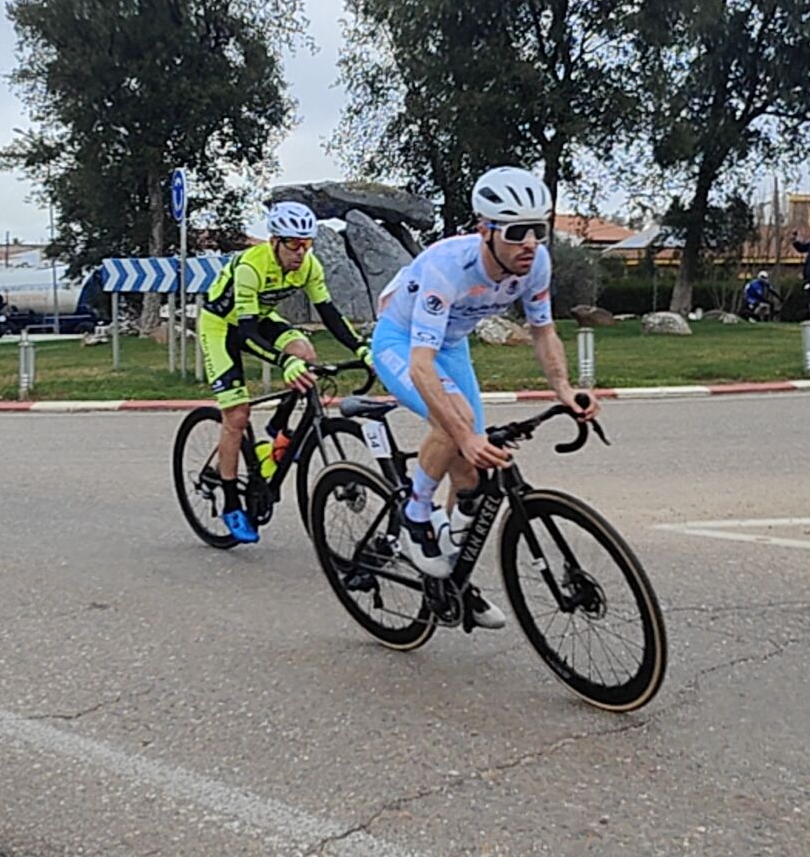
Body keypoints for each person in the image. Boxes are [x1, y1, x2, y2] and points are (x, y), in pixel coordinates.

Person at [369, 166, 596, 630]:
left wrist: (565, 390)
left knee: (472, 475)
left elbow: (543, 331)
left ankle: (452, 581)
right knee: (458, 425)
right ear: (485, 231)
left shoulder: (536, 264)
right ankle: (415, 518)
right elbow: (420, 366)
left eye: (538, 229)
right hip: (402, 341)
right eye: (516, 232)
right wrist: (463, 433)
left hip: (451, 345)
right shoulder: (447, 267)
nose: (529, 242)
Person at [197, 201, 370, 543]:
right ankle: (232, 502)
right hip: (222, 327)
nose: (300, 252)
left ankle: (278, 426)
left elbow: (330, 314)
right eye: (293, 243)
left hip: (260, 319)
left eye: (307, 243)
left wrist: (361, 348)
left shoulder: (309, 266)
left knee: (304, 352)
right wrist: (283, 362)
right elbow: (245, 332)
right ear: (274, 240)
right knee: (237, 416)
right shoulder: (251, 267)